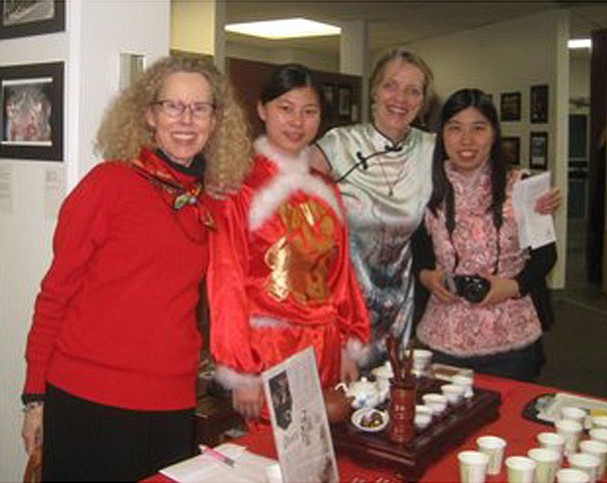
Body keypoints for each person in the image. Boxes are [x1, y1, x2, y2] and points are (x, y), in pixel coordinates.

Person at [20, 55, 251, 481]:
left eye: (200, 108)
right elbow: (55, 295)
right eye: (172, 106)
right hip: (89, 399)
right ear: (148, 114)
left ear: (216, 120)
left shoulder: (211, 199)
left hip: (171, 403)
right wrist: (35, 398)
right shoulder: (109, 184)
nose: (186, 119)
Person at [310, 47, 560, 367]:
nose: (400, 98)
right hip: (347, 300)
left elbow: (541, 249)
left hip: (410, 304)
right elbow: (284, 183)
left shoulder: (433, 150)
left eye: (413, 90)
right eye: (390, 85)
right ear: (373, 90)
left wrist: (537, 194)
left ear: (423, 102)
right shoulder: (339, 145)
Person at [207, 64, 370, 425]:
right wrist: (240, 369)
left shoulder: (326, 188)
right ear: (262, 110)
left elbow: (342, 274)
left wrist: (348, 341)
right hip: (267, 349)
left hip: (325, 347)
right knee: (271, 454)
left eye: (309, 111)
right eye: (285, 108)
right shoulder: (239, 187)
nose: (297, 122)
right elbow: (226, 281)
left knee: (322, 453)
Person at [414, 88, 557, 382]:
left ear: (493, 134)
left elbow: (546, 255)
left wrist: (514, 286)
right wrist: (427, 277)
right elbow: (416, 254)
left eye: (478, 128)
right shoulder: (426, 188)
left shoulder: (523, 185)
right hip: (444, 337)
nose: (466, 141)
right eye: (455, 129)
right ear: (442, 135)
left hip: (511, 337)